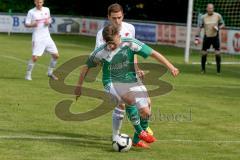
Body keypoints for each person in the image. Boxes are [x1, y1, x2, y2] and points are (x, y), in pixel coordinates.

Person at [75, 24, 179, 148]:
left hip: (130, 80)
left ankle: (136, 139)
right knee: (128, 99)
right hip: (111, 82)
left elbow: (153, 53)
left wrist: (171, 66)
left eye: (113, 42)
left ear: (119, 36)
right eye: (108, 43)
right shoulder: (101, 51)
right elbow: (85, 67)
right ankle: (140, 131)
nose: (111, 46)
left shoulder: (130, 43)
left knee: (146, 112)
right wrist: (78, 87)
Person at [95, 3, 154, 142]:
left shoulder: (130, 29)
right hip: (114, 75)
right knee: (122, 103)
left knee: (148, 104)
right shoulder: (102, 34)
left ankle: (136, 138)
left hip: (130, 73)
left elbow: (133, 50)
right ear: (108, 17)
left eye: (119, 17)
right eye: (114, 18)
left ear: (123, 16)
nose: (117, 21)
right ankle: (118, 136)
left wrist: (136, 68)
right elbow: (100, 56)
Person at [25, 0, 59, 80]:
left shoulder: (47, 9)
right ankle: (28, 74)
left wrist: (48, 22)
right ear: (34, 2)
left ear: (43, 2)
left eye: (40, 2)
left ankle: (50, 73)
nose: (39, 4)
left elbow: (49, 20)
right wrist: (32, 24)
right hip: (37, 37)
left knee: (56, 56)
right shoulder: (31, 12)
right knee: (35, 58)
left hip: (47, 37)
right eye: (37, 2)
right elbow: (26, 24)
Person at [197, 3, 224, 74]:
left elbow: (223, 24)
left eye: (211, 8)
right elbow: (200, 27)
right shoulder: (203, 17)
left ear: (213, 9)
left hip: (215, 37)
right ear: (207, 9)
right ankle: (203, 70)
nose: (210, 9)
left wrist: (218, 27)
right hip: (207, 37)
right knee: (203, 53)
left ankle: (218, 71)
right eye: (209, 8)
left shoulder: (218, 15)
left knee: (218, 53)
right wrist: (197, 38)